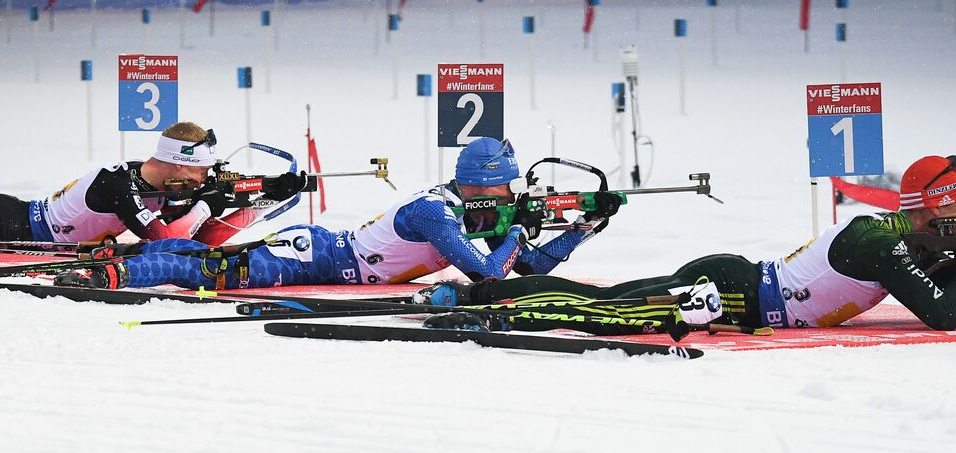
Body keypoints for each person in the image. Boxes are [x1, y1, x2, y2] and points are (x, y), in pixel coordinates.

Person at [418, 154, 956, 334]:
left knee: (606, 300)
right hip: (731, 291)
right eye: (955, 216)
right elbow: (946, 314)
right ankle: (479, 303)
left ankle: (471, 292)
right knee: (599, 310)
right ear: (930, 212)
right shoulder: (878, 241)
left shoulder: (911, 243)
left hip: (739, 290)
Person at [51, 137, 614, 291]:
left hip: (332, 257)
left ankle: (122, 254)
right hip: (317, 256)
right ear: (484, 184)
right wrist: (518, 228)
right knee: (215, 271)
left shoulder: (468, 210)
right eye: (507, 186)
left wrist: (583, 228)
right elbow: (491, 272)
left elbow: (529, 266)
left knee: (211, 258)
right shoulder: (437, 213)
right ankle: (117, 270)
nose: (512, 195)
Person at [0, 122, 289, 246]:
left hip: (30, 232)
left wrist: (260, 203)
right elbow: (166, 240)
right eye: (202, 171)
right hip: (5, 222)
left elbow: (202, 238)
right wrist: (208, 204)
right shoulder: (119, 184)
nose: (205, 179)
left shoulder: (161, 188)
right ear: (178, 164)